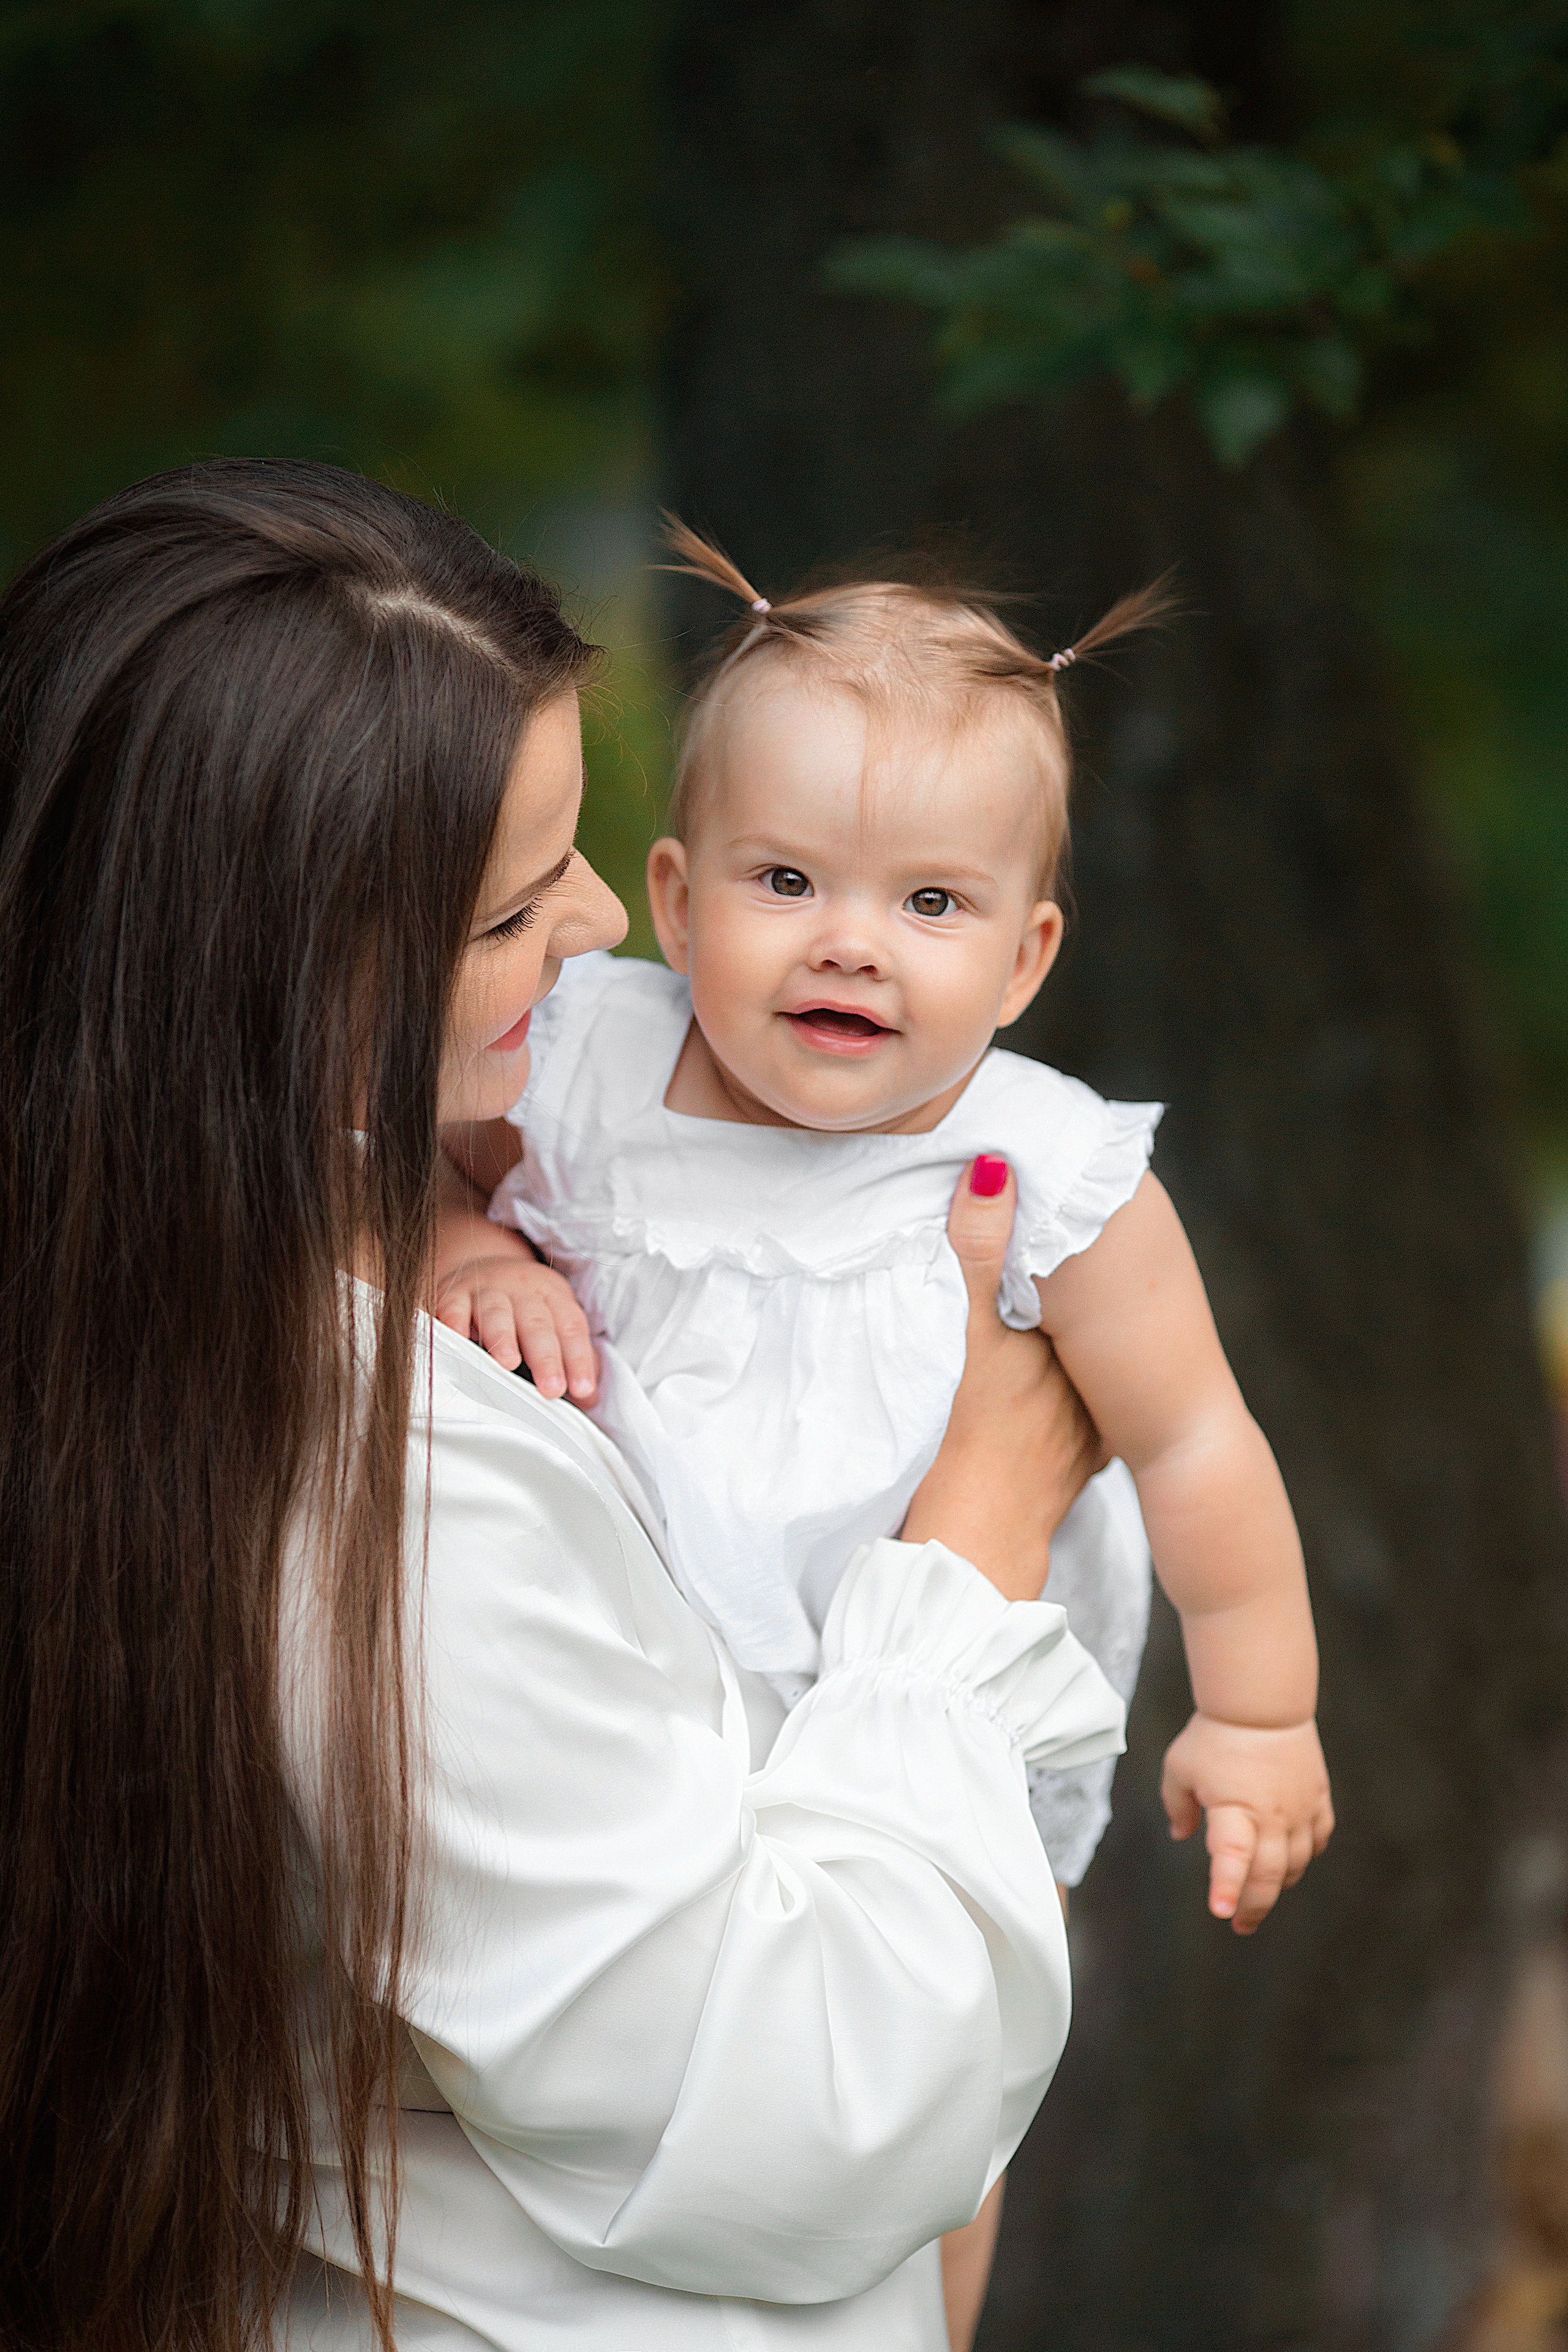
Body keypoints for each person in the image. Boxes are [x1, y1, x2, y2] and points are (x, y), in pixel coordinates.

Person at [0, 458, 1135, 2352]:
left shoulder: (209, 1302)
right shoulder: (382, 1500)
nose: (609, 922)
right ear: (284, 982)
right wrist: (989, 1520)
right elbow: (807, 2108)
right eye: (518, 905)